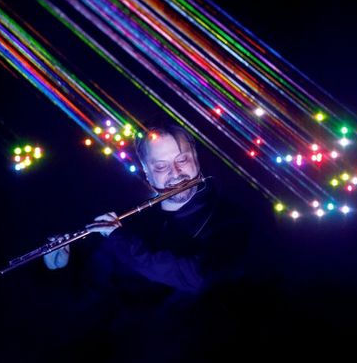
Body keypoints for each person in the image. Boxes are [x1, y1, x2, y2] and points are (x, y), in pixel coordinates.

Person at [41, 119, 254, 360]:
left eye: (182, 160)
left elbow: (198, 278)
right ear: (147, 173)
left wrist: (121, 240)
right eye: (161, 167)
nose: (176, 174)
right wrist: (60, 269)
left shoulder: (230, 218)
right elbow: (89, 298)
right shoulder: (132, 226)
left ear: (195, 157)